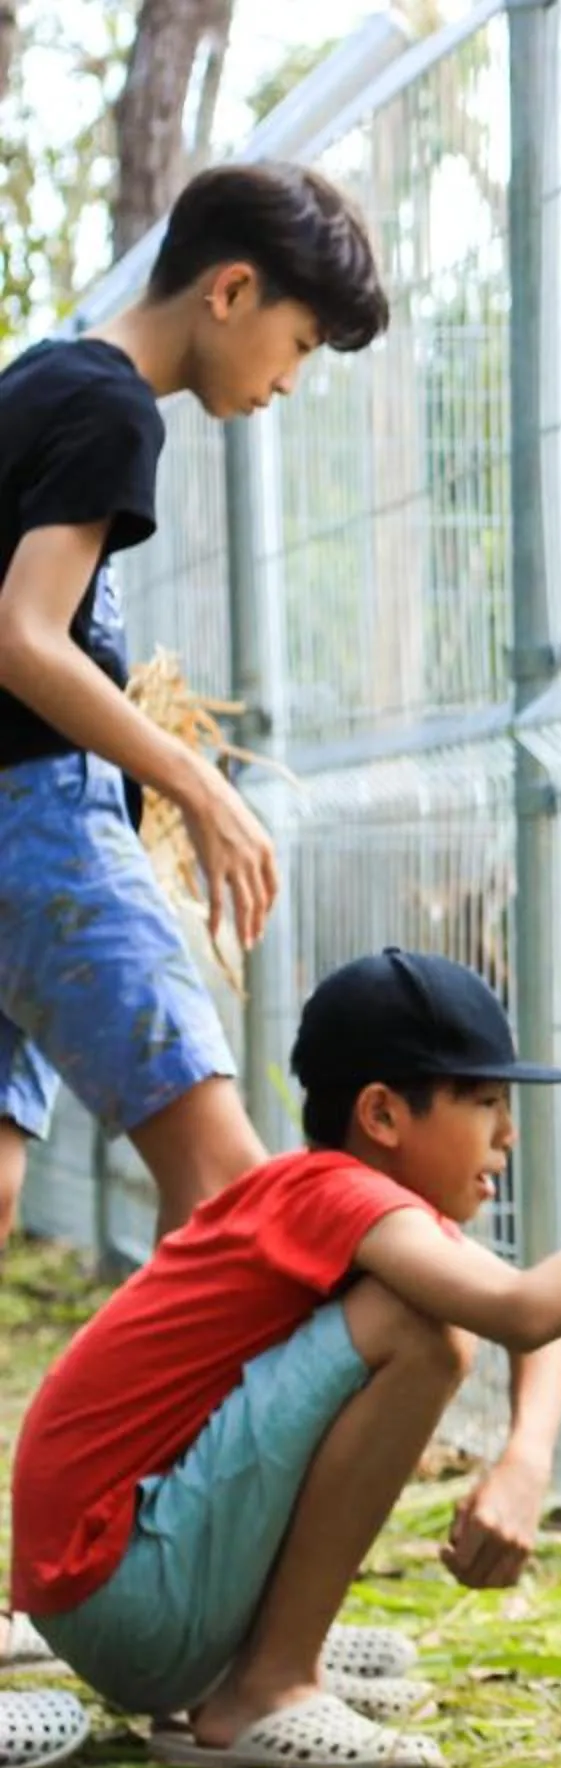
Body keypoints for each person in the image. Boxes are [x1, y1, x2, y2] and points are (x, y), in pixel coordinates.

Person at [3, 947, 561, 1768]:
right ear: (383, 1115)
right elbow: (527, 1309)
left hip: (112, 1583)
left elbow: (541, 1312)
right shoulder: (337, 1197)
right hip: (120, 1591)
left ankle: (260, 1650)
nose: (508, 1135)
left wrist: (526, 1460)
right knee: (421, 1332)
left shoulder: (340, 1201)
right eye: (486, 1103)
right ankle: (267, 1687)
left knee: (427, 1318)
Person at [0, 161, 388, 1248]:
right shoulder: (113, 404)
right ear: (230, 290)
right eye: (299, 343)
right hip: (38, 820)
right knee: (225, 1190)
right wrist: (200, 787)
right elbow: (24, 636)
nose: (289, 381)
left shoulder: (38, 379)